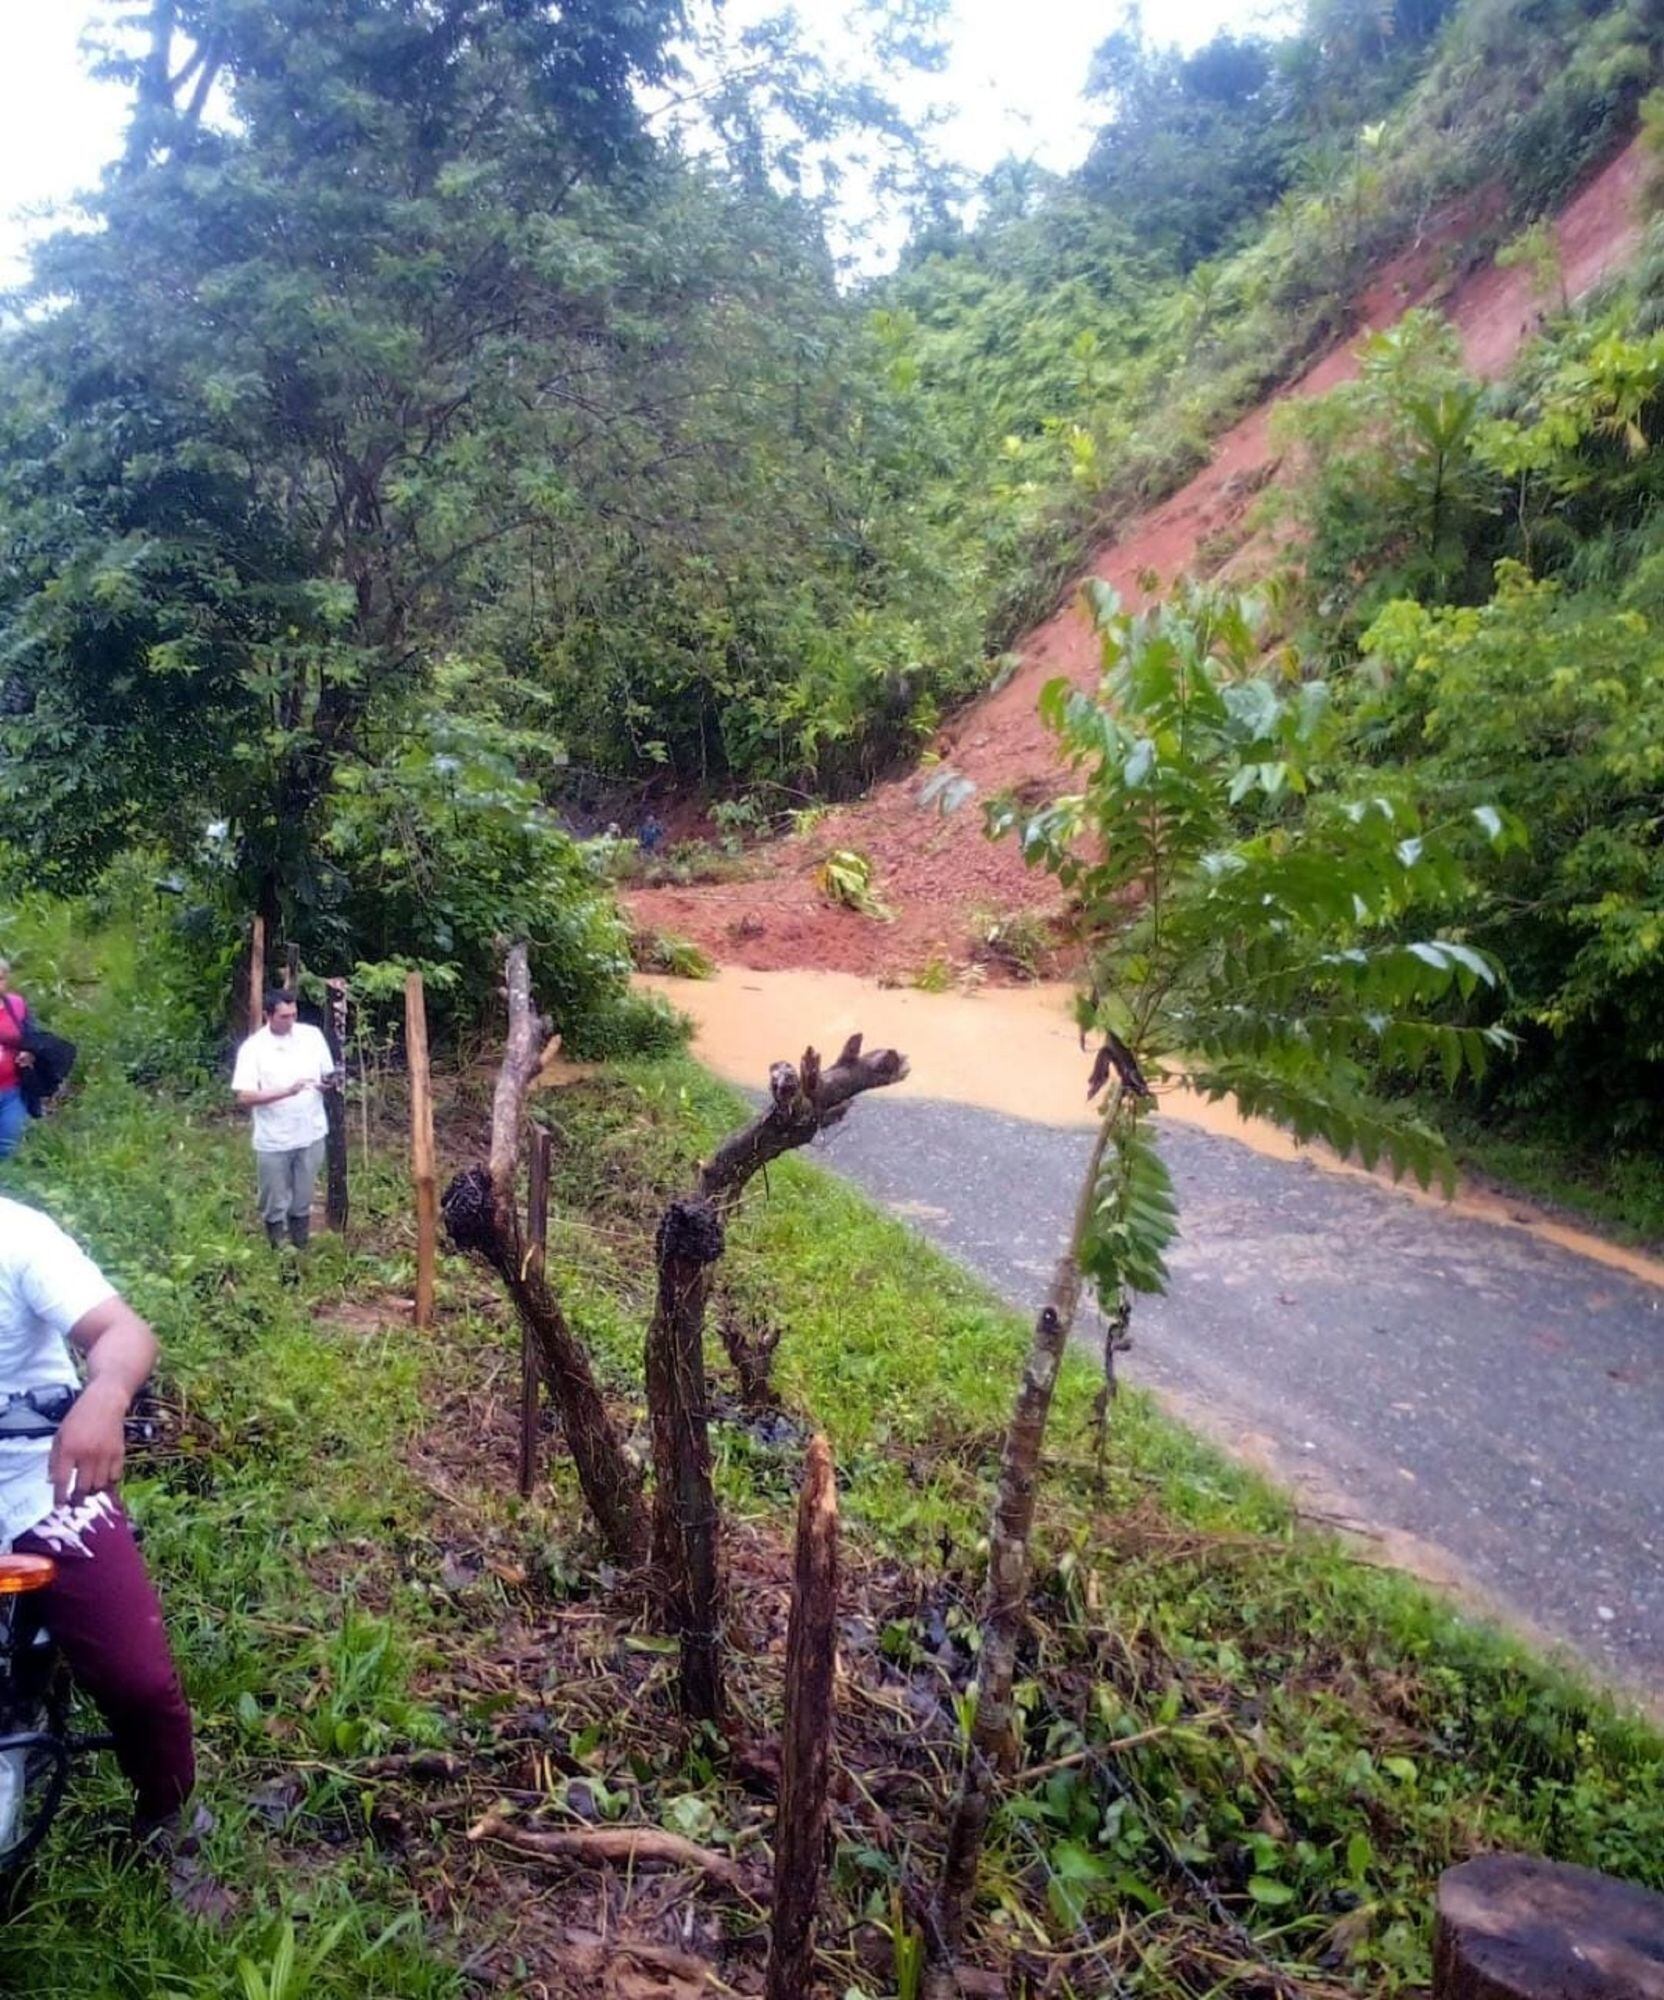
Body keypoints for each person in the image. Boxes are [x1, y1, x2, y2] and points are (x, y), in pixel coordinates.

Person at [0, 1194, 196, 1846]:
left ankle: (168, 1815)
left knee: (137, 1681)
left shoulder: (17, 1235)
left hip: (41, 1481)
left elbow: (123, 1332)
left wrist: (104, 1397)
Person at [231, 991, 336, 1250]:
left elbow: (329, 1074)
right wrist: (287, 1091)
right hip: (274, 1137)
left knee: (303, 1195)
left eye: (293, 1015)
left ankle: (300, 1244)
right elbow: (244, 1096)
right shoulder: (254, 1048)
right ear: (268, 1016)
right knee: (274, 1198)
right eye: (283, 1017)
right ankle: (276, 1246)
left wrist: (326, 1085)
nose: (290, 1021)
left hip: (310, 1130)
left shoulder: (311, 1037)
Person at [0, 958, 34, 1161]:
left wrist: (28, 1053)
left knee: (8, 1147)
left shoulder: (16, 1005)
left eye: (0, 979)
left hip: (11, 1091)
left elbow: (32, 1038)